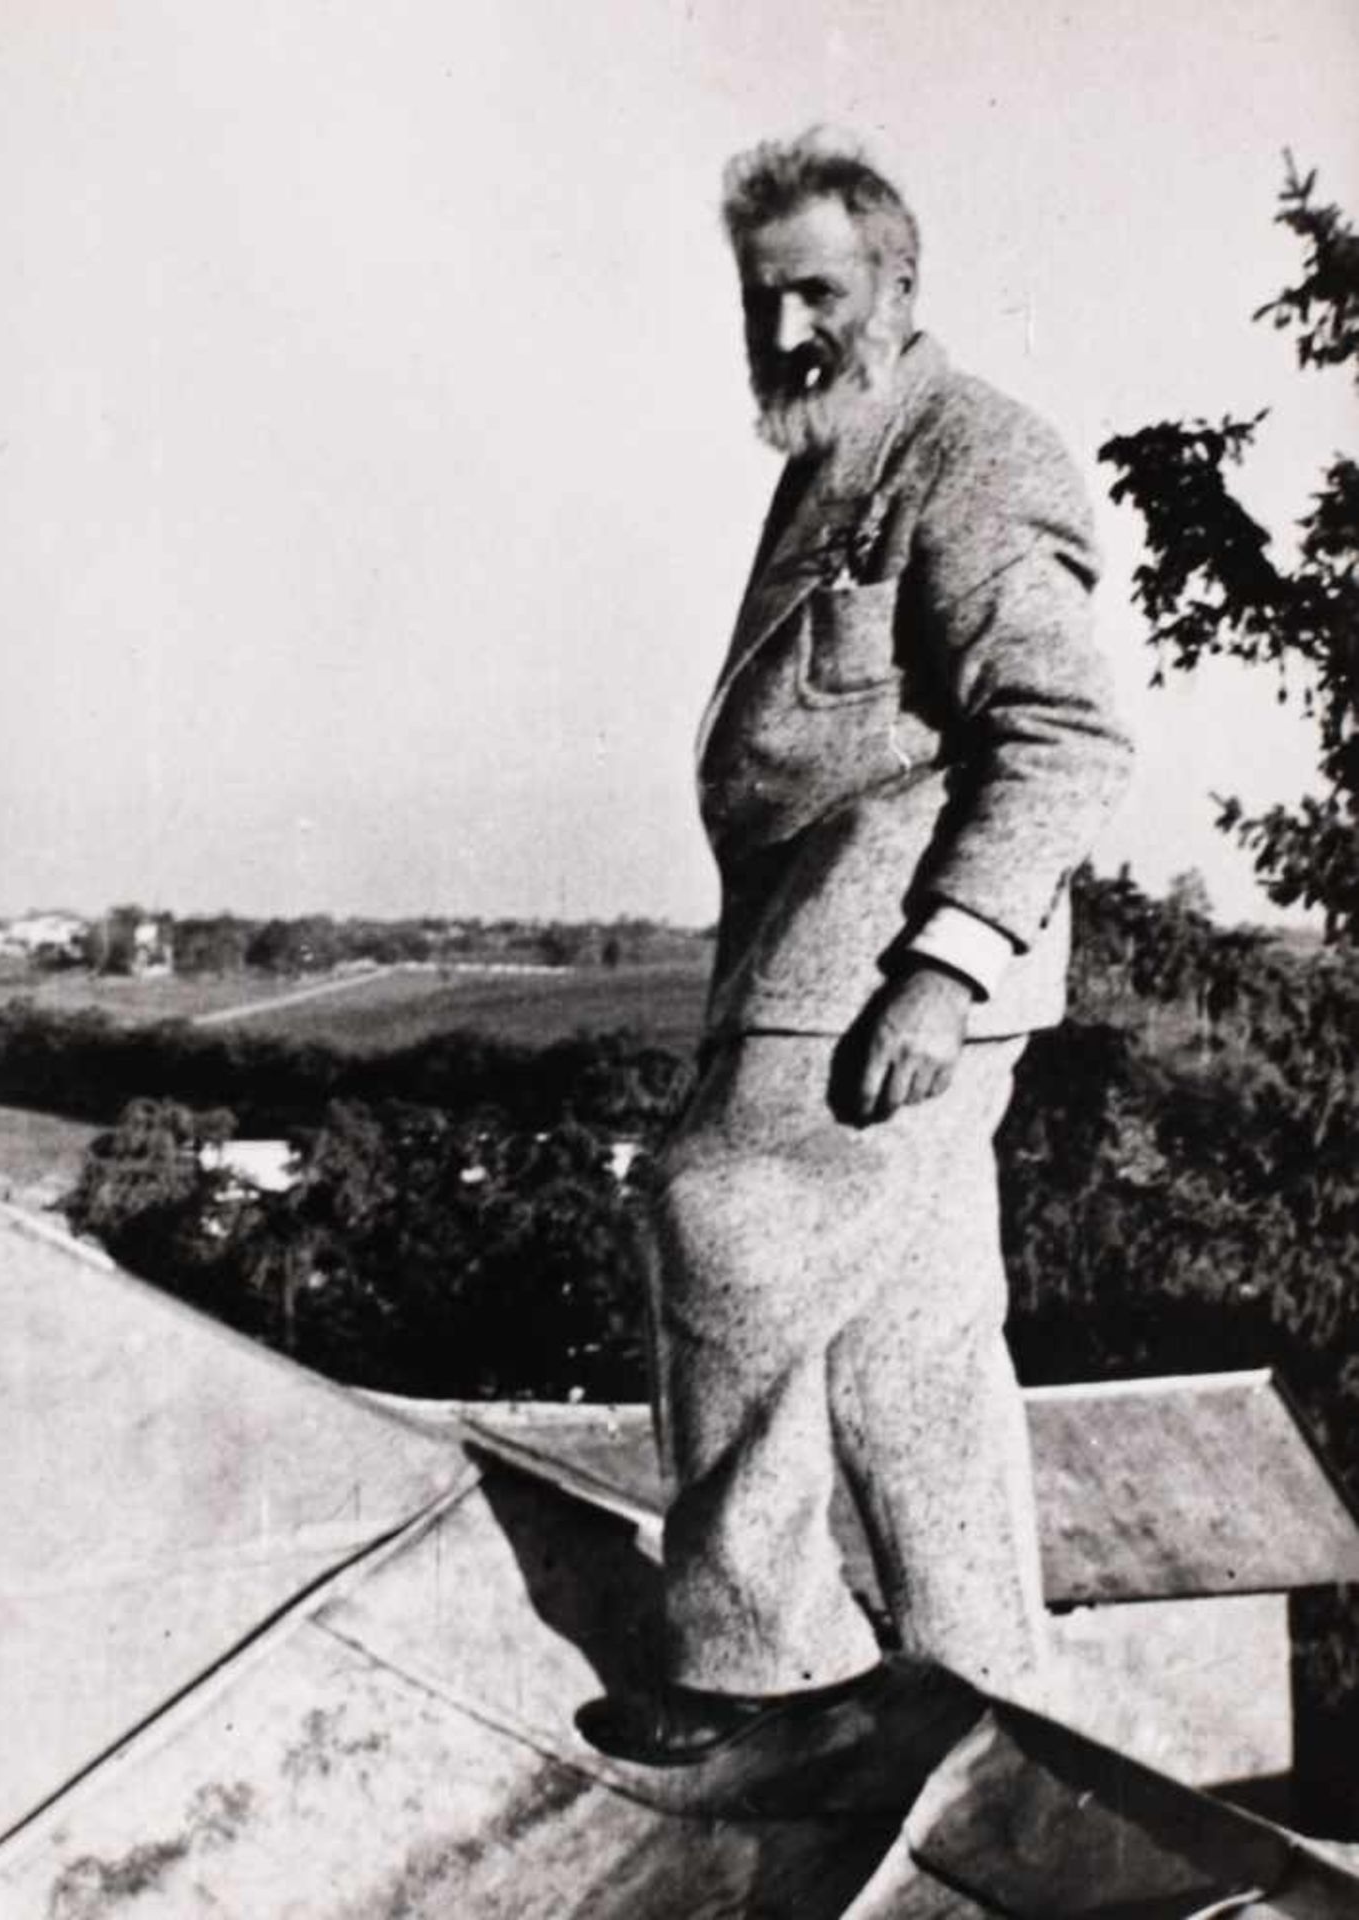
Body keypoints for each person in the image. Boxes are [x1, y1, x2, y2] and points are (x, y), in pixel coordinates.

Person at [581, 127, 1134, 1774]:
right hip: (823, 958)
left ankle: (761, 1665)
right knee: (914, 1349)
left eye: (816, 290)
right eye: (761, 301)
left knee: (722, 1222)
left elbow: (1066, 731)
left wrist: (946, 966)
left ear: (901, 285)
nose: (784, 332)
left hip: (878, 972)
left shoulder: (971, 454)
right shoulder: (838, 453)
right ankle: (991, 1688)